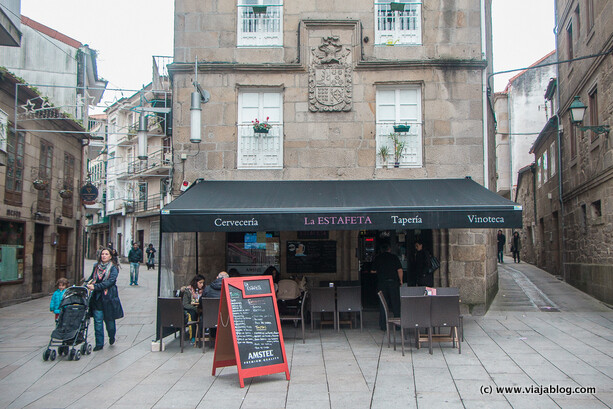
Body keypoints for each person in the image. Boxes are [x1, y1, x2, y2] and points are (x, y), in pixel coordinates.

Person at [86, 248, 124, 351]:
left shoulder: (113, 268)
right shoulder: (96, 267)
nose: (104, 256)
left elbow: (110, 282)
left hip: (109, 298)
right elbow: (91, 278)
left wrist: (96, 287)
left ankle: (111, 336)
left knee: (110, 322)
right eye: (102, 254)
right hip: (97, 298)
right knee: (98, 321)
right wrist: (88, 283)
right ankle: (99, 344)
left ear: (110, 256)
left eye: (106, 254)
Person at [370, 243, 403, 331]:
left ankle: (383, 326)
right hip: (393, 283)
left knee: (383, 304)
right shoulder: (394, 257)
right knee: (396, 304)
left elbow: (372, 271)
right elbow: (399, 270)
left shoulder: (378, 258)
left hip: (382, 284)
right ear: (389, 249)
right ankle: (398, 325)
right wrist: (401, 280)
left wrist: (380, 272)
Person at [182, 274, 205, 344]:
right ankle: (193, 336)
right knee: (192, 315)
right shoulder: (188, 291)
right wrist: (195, 309)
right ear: (196, 282)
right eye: (200, 283)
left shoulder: (204, 291)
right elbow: (185, 304)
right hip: (192, 309)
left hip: (201, 308)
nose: (202, 285)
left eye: (203, 283)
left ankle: (201, 334)